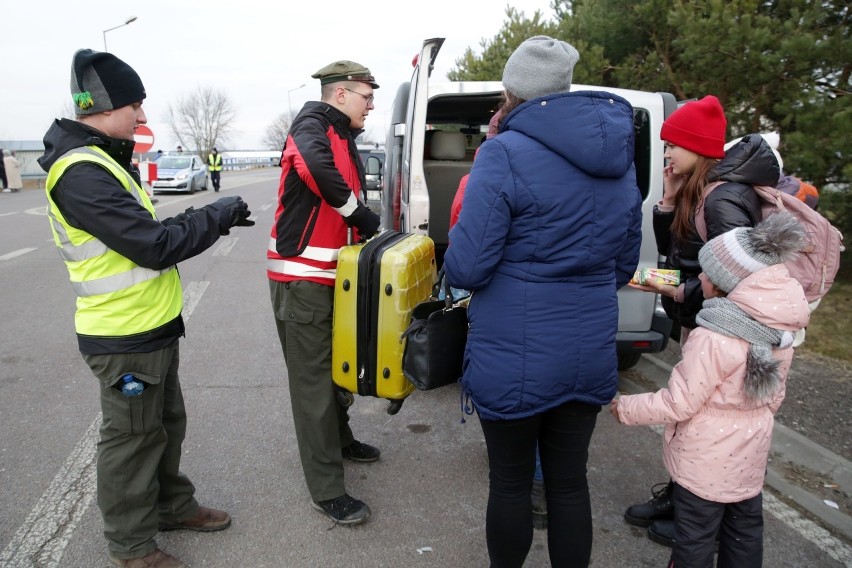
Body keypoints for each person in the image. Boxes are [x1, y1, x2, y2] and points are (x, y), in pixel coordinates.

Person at [38, 48, 254, 568]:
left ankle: (170, 506)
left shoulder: (104, 158)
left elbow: (148, 235)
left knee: (164, 425)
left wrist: (210, 213)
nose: (143, 117)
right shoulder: (80, 172)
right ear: (105, 106)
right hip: (123, 336)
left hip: (150, 327)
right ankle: (132, 547)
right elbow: (153, 245)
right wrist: (217, 216)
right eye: (136, 105)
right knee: (131, 440)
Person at [443, 36, 643, 567]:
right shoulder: (620, 161)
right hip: (588, 353)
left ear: (511, 91)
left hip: (513, 356)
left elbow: (466, 266)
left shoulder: (502, 152)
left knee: (510, 485)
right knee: (570, 485)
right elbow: (623, 266)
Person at [612, 212, 809, 568]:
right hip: (750, 457)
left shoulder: (712, 336)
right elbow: (774, 398)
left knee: (695, 537)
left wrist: (626, 408)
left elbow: (680, 402)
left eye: (707, 273)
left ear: (725, 285)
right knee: (744, 532)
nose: (699, 277)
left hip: (704, 463)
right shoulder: (781, 334)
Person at [625, 105, 783, 547]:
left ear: (696, 146)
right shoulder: (705, 191)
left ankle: (695, 515)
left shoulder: (724, 198)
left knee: (703, 419)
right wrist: (669, 200)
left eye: (673, 144)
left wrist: (668, 289)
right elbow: (679, 254)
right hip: (701, 321)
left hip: (722, 330)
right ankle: (680, 497)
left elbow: (736, 280)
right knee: (693, 418)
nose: (667, 152)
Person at [266, 59, 381, 526]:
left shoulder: (342, 134)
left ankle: (342, 440)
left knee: (338, 371)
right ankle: (327, 489)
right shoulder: (311, 127)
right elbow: (318, 170)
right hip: (303, 280)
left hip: (335, 277)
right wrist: (361, 216)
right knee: (313, 385)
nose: (371, 105)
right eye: (366, 96)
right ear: (340, 94)